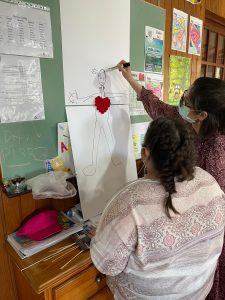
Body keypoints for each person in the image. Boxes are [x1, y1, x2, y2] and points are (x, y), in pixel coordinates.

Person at [117, 60, 225, 300]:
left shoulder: (217, 151)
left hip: (208, 235)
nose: (182, 104)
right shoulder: (189, 122)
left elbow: (216, 207)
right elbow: (159, 108)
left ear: (202, 115)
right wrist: (129, 78)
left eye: (187, 102)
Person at [90, 117, 225, 300]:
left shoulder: (130, 201)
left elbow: (107, 265)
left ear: (145, 153)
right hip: (197, 293)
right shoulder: (209, 182)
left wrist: (98, 239)